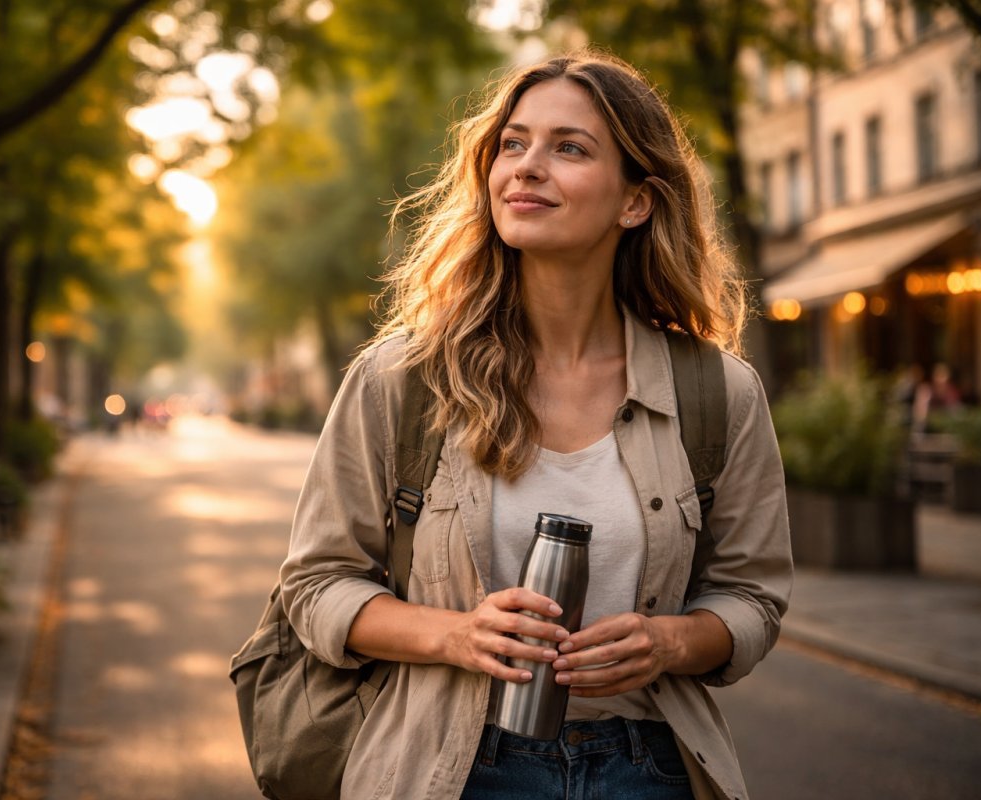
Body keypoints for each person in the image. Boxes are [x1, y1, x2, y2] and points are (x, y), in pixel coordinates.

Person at [279, 50, 791, 800]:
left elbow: (752, 596)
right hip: (449, 769)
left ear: (635, 202)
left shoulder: (717, 392)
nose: (526, 167)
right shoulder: (402, 378)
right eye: (512, 144)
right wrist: (454, 634)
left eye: (569, 148)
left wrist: (670, 640)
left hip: (649, 768)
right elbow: (315, 584)